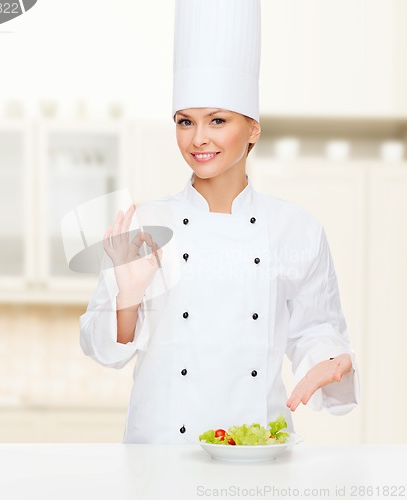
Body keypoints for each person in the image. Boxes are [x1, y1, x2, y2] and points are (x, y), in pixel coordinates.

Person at [79, 0, 359, 444]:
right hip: (161, 453)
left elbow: (317, 329)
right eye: (185, 121)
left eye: (218, 120)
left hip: (257, 449)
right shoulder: (147, 223)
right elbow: (100, 347)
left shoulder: (297, 229)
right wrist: (127, 299)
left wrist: (330, 357)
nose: (198, 138)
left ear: (253, 129)